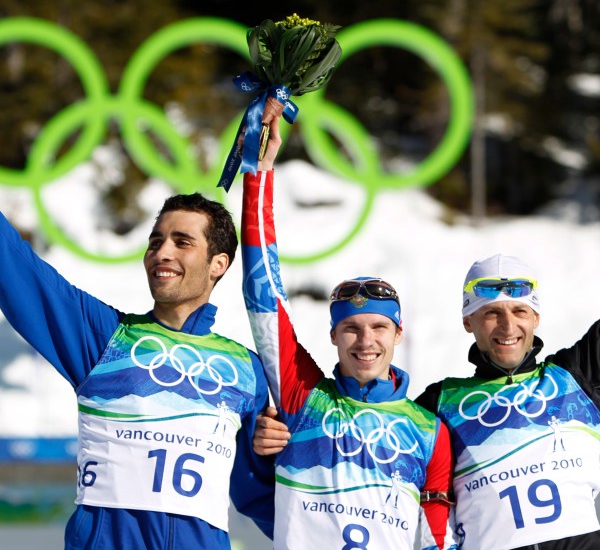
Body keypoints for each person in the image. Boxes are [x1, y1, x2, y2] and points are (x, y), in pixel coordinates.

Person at [255, 252, 600, 549]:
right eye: (491, 313)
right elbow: (359, 449)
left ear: (536, 318)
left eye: (520, 312)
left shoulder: (574, 377)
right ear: (468, 321)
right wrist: (279, 439)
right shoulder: (439, 405)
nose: (507, 327)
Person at [0, 187, 275, 548]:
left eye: (182, 242)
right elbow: (16, 268)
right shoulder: (104, 338)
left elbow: (262, 496)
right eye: (156, 241)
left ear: (218, 264)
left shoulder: (245, 370)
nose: (162, 253)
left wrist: (275, 454)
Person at [241, 113, 459, 550]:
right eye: (351, 328)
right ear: (333, 336)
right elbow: (264, 296)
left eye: (379, 327)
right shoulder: (302, 396)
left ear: (399, 334)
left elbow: (439, 536)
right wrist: (258, 175)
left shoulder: (429, 432)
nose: (365, 341)